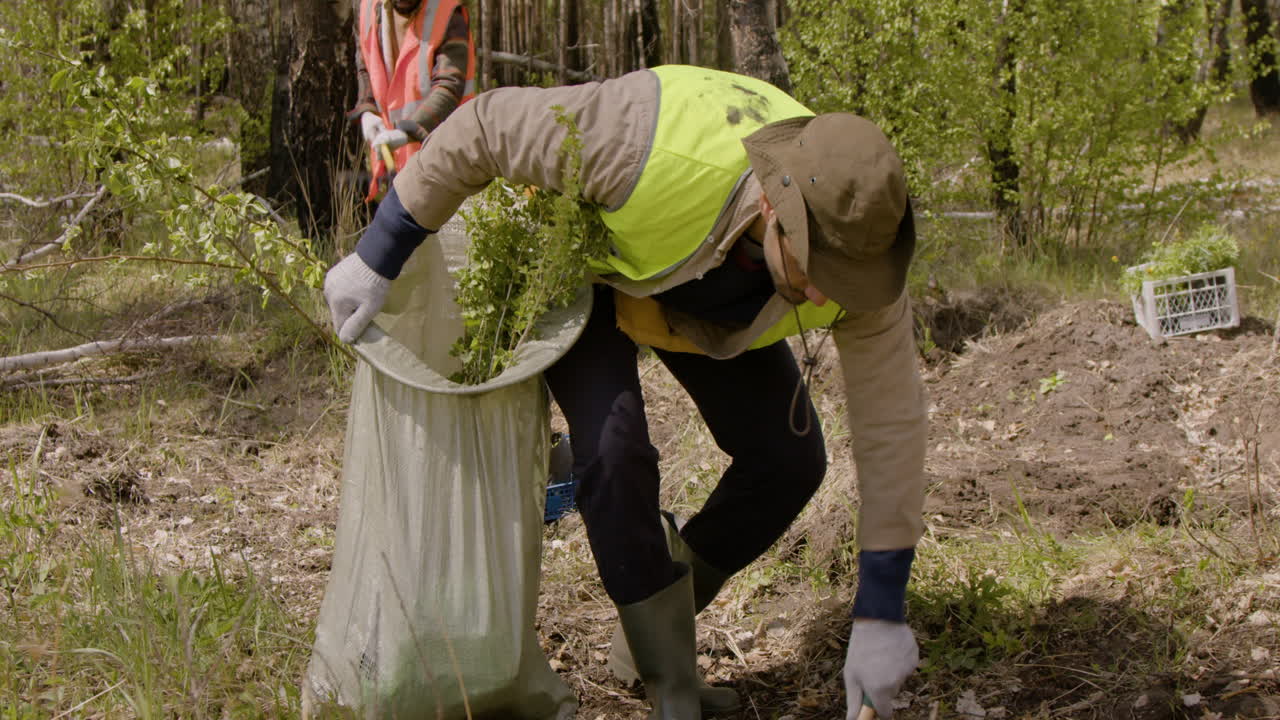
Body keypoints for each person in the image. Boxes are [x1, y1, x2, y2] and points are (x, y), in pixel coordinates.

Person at [323, 65, 926, 720]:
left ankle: (649, 632)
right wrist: (378, 254)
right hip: (588, 258)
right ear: (772, 208)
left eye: (843, 281)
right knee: (615, 456)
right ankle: (668, 679)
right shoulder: (641, 140)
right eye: (814, 268)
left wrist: (881, 616)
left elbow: (891, 428)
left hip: (702, 292)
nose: (823, 295)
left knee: (790, 461)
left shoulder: (862, 255)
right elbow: (484, 125)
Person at [349, 0, 477, 202]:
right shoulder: (368, 8)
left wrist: (407, 131)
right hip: (395, 162)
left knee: (442, 231)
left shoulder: (448, 13)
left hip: (444, 160)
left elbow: (449, 86)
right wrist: (367, 110)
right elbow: (365, 61)